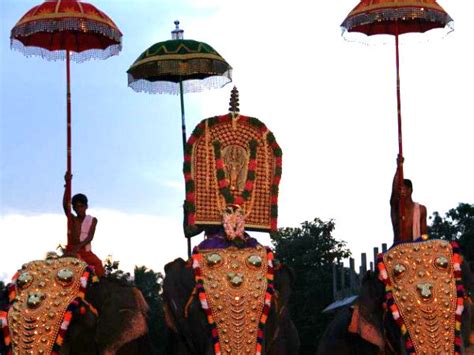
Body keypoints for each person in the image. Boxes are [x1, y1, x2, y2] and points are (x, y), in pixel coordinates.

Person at [63, 172, 105, 277]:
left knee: (98, 264)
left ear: (86, 206)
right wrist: (67, 184)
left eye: (81, 206)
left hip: (85, 252)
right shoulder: (72, 219)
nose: (79, 209)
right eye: (76, 207)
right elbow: (65, 205)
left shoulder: (93, 220)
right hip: (71, 251)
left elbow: (90, 237)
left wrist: (78, 247)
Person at [390, 155, 428, 243]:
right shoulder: (396, 208)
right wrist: (399, 167)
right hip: (398, 250)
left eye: (401, 188)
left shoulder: (421, 209)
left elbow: (425, 235)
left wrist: (416, 245)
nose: (399, 191)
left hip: (416, 251)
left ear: (409, 190)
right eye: (398, 189)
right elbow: (394, 192)